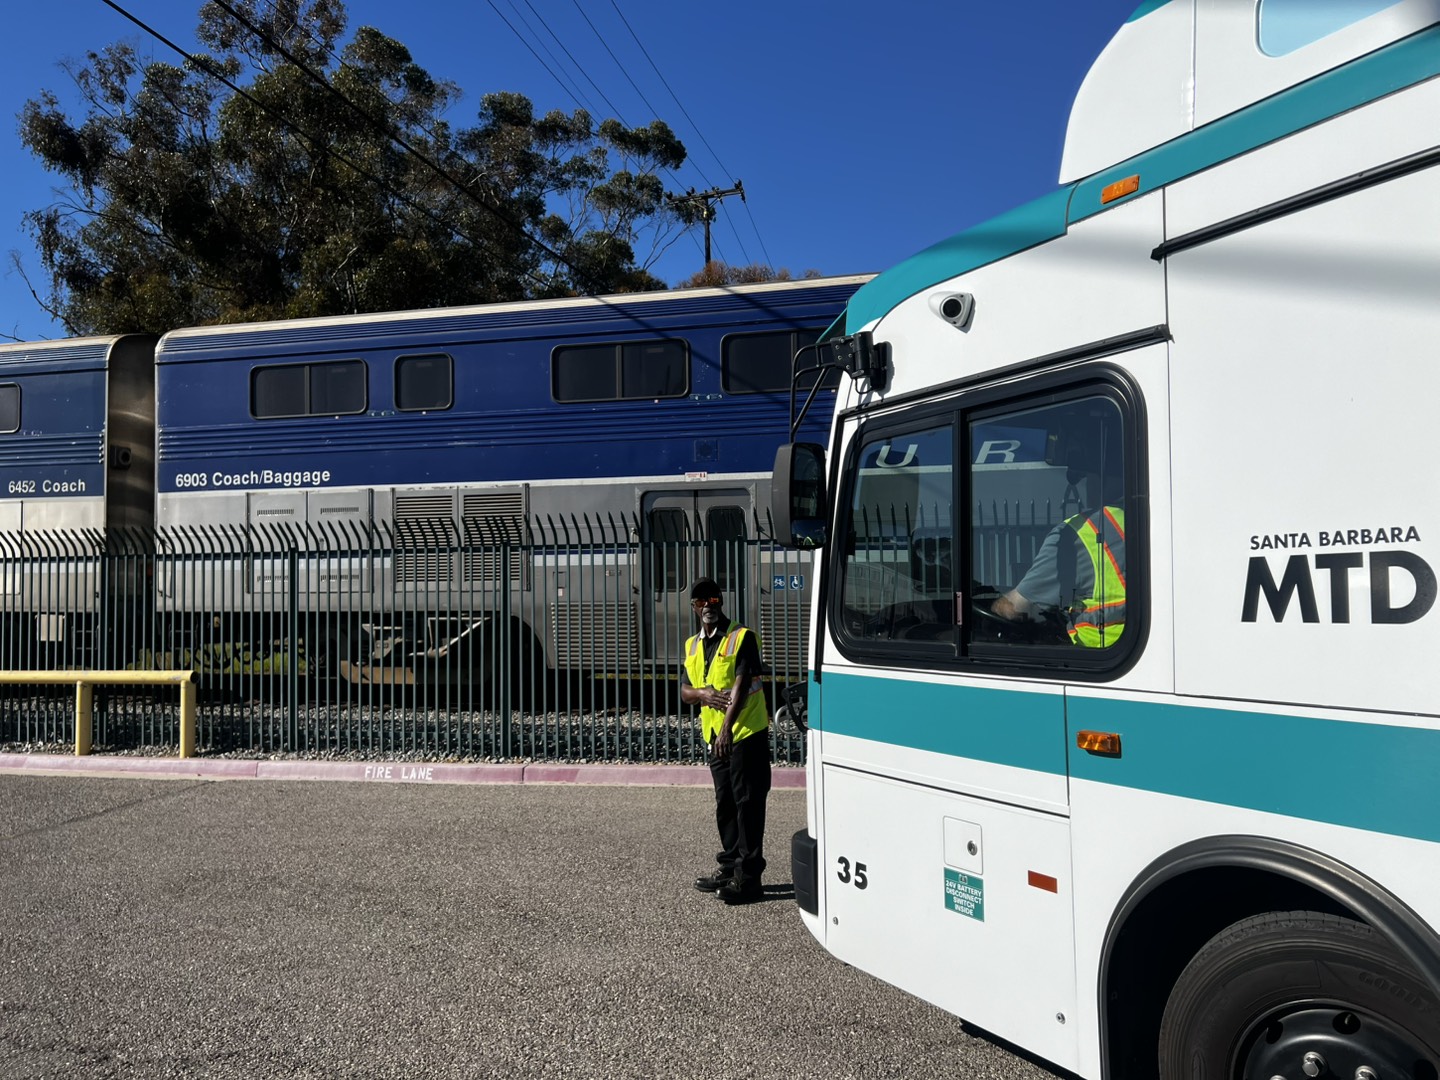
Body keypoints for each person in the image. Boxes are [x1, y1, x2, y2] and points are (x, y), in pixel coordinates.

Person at [680, 577, 771, 904]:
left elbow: (744, 683)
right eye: (701, 601)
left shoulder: (741, 637)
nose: (708, 606)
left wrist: (727, 729)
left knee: (747, 804)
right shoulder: (692, 645)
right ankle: (731, 866)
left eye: (714, 600)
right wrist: (702, 693)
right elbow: (685, 690)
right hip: (715, 738)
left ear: (721, 603)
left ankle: (749, 879)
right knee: (726, 804)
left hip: (743, 734)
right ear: (693, 607)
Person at [991, 471, 1126, 647]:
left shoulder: (1077, 535)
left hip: (1096, 659)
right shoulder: (1154, 519)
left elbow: (1016, 608)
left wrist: (994, 608)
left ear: (1100, 479)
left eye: (1088, 476)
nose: (1085, 486)